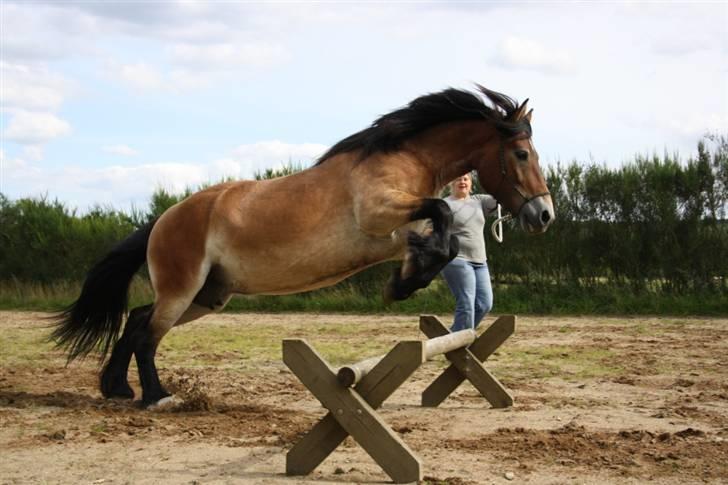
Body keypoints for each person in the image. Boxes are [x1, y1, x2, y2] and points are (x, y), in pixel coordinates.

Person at [441, 173, 498, 332]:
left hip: (480, 261)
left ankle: (453, 337)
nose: (462, 182)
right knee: (466, 305)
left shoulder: (479, 201)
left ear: (471, 183)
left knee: (484, 304)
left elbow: (501, 197)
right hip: (457, 260)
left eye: (465, 179)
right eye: (458, 178)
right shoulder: (445, 204)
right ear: (451, 183)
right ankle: (460, 344)